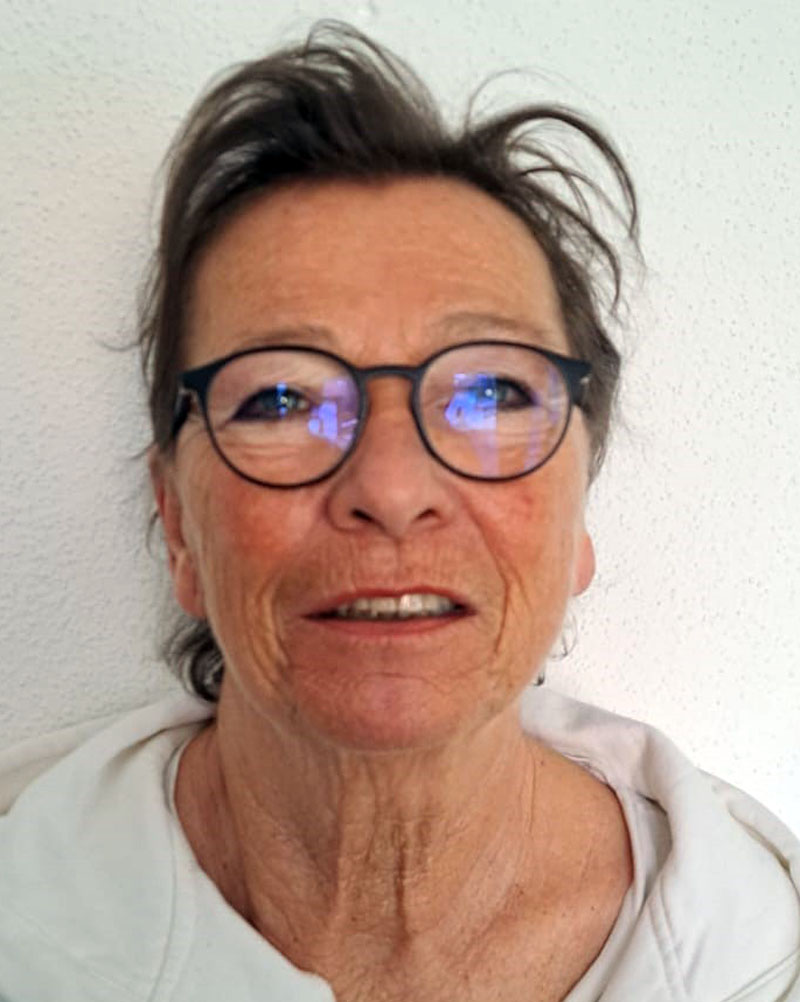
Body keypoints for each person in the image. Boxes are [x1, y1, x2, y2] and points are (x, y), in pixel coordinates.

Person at [0, 21, 798, 1002]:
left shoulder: (759, 957)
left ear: (577, 509)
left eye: (490, 394)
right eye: (280, 399)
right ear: (179, 529)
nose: (389, 487)